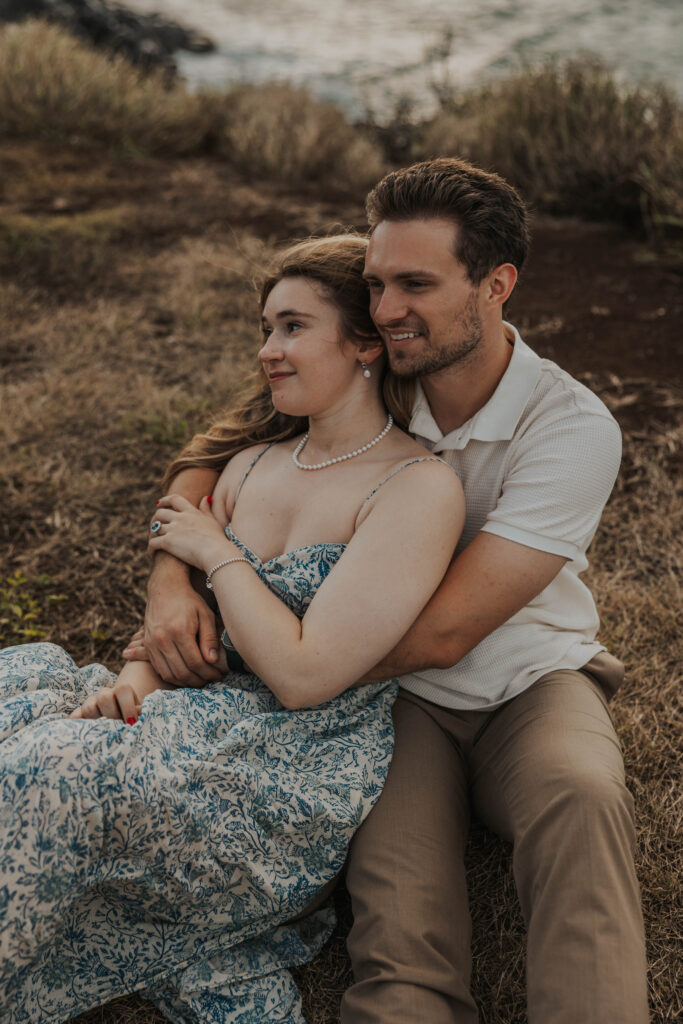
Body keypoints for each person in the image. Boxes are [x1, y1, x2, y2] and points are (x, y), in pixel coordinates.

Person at [138, 160, 649, 1024]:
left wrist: (268, 668)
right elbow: (213, 453)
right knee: (398, 910)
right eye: (375, 283)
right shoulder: (372, 368)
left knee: (580, 797)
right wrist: (167, 583)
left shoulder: (569, 427)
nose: (382, 310)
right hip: (388, 698)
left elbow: (448, 632)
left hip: (524, 677)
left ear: (496, 285)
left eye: (415, 283)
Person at [0, 235, 464, 1024]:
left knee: (51, 772)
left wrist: (214, 553)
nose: (266, 351)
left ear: (363, 344)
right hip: (189, 710)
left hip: (288, 769)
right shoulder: (250, 464)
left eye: (290, 328)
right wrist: (129, 689)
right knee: (18, 698)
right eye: (265, 329)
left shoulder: (415, 487)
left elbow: (306, 674)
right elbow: (178, 636)